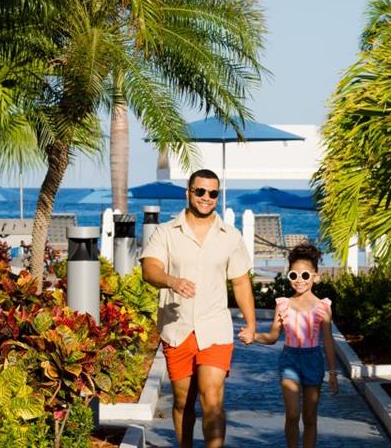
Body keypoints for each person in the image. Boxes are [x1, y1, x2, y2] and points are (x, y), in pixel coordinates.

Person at [140, 168, 257, 448]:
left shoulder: (230, 236)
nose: (206, 197)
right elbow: (149, 269)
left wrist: (251, 324)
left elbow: (240, 282)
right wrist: (172, 280)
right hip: (177, 329)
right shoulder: (166, 232)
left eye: (213, 193)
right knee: (183, 402)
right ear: (188, 192)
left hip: (215, 327)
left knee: (212, 397)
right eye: (200, 191)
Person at [250, 242, 338, 448]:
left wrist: (332, 372)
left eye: (305, 275)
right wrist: (253, 336)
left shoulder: (323, 307)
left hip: (313, 361)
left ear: (315, 276)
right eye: (294, 275)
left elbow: (328, 342)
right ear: (288, 275)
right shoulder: (283, 304)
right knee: (292, 414)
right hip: (289, 360)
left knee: (309, 418)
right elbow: (273, 336)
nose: (299, 280)